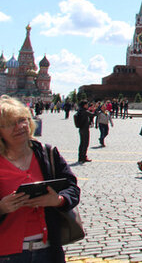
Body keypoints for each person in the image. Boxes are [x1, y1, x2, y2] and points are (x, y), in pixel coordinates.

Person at [0, 95, 81, 262]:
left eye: (22, 120)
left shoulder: (47, 153)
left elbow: (72, 188)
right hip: (6, 254)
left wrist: (58, 200)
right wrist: (1, 208)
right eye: (10, 124)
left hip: (47, 251)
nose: (20, 127)